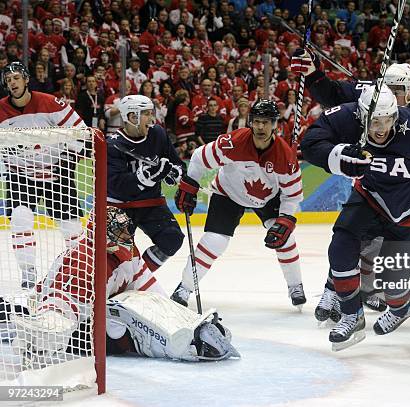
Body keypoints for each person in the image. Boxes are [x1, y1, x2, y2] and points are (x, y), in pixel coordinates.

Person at [290, 53, 410, 321]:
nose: (392, 96)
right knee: (351, 236)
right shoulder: (371, 93)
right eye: (388, 89)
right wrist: (313, 73)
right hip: (376, 176)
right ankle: (335, 291)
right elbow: (334, 96)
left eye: (398, 91)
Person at [1, 206, 239, 364]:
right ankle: (9, 319)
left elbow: (151, 292)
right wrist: (45, 333)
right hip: (68, 321)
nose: (126, 234)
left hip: (90, 311)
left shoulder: (126, 251)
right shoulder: (85, 261)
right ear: (103, 232)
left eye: (126, 228)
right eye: (119, 229)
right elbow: (60, 308)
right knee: (118, 330)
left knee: (126, 312)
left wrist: (180, 321)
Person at [172, 100, 306, 310]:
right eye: (257, 121)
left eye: (266, 122)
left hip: (268, 198)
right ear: (251, 122)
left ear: (275, 125)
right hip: (229, 192)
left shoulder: (286, 156)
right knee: (214, 241)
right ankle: (185, 287)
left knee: (285, 239)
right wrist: (190, 184)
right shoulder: (233, 143)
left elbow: (292, 195)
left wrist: (286, 218)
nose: (261, 127)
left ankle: (295, 286)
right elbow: (199, 157)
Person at [0, 61, 85, 289]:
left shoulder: (50, 103)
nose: (12, 82)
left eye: (16, 78)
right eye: (8, 80)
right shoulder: (0, 109)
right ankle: (28, 273)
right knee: (19, 220)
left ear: (26, 79)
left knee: (72, 229)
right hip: (20, 176)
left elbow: (82, 133)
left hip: (57, 174)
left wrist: (68, 161)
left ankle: (78, 269)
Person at [106, 95, 185, 272]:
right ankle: (121, 278)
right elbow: (117, 186)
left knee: (172, 238)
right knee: (116, 256)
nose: (152, 119)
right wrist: (146, 176)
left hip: (151, 202)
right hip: (119, 207)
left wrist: (176, 174)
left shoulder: (158, 134)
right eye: (146, 114)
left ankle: (139, 277)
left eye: (151, 113)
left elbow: (176, 162)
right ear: (132, 116)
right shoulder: (112, 145)